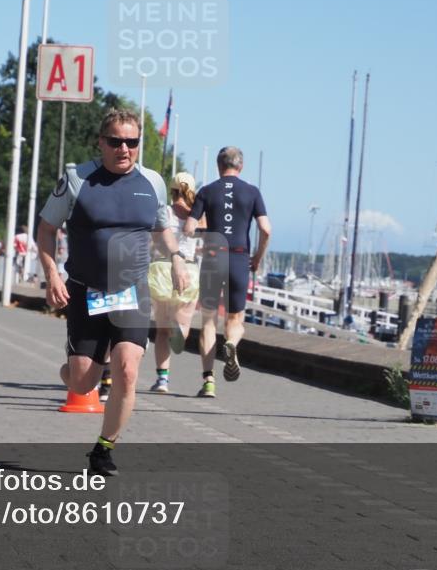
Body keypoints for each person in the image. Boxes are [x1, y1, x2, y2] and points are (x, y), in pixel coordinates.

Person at [38, 108, 188, 476]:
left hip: (132, 291)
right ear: (101, 142)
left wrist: (177, 257)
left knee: (127, 370)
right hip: (85, 291)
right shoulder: (77, 179)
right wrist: (52, 274)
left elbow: (162, 229)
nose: (124, 148)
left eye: (132, 142)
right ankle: (78, 368)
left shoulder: (152, 182)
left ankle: (104, 449)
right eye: (116, 141)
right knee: (82, 381)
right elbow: (46, 230)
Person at [184, 146, 271, 398]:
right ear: (240, 166)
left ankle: (208, 381)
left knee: (209, 320)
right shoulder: (252, 192)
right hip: (239, 258)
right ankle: (231, 343)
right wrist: (257, 257)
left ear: (218, 165)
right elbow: (266, 229)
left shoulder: (207, 191)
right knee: (235, 320)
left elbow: (189, 229)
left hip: (213, 257)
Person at [147, 172, 202, 394]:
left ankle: (162, 380)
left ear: (171, 190)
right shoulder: (196, 216)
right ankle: (180, 331)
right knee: (182, 324)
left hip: (162, 269)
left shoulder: (164, 212)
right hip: (187, 269)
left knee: (160, 331)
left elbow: (154, 239)